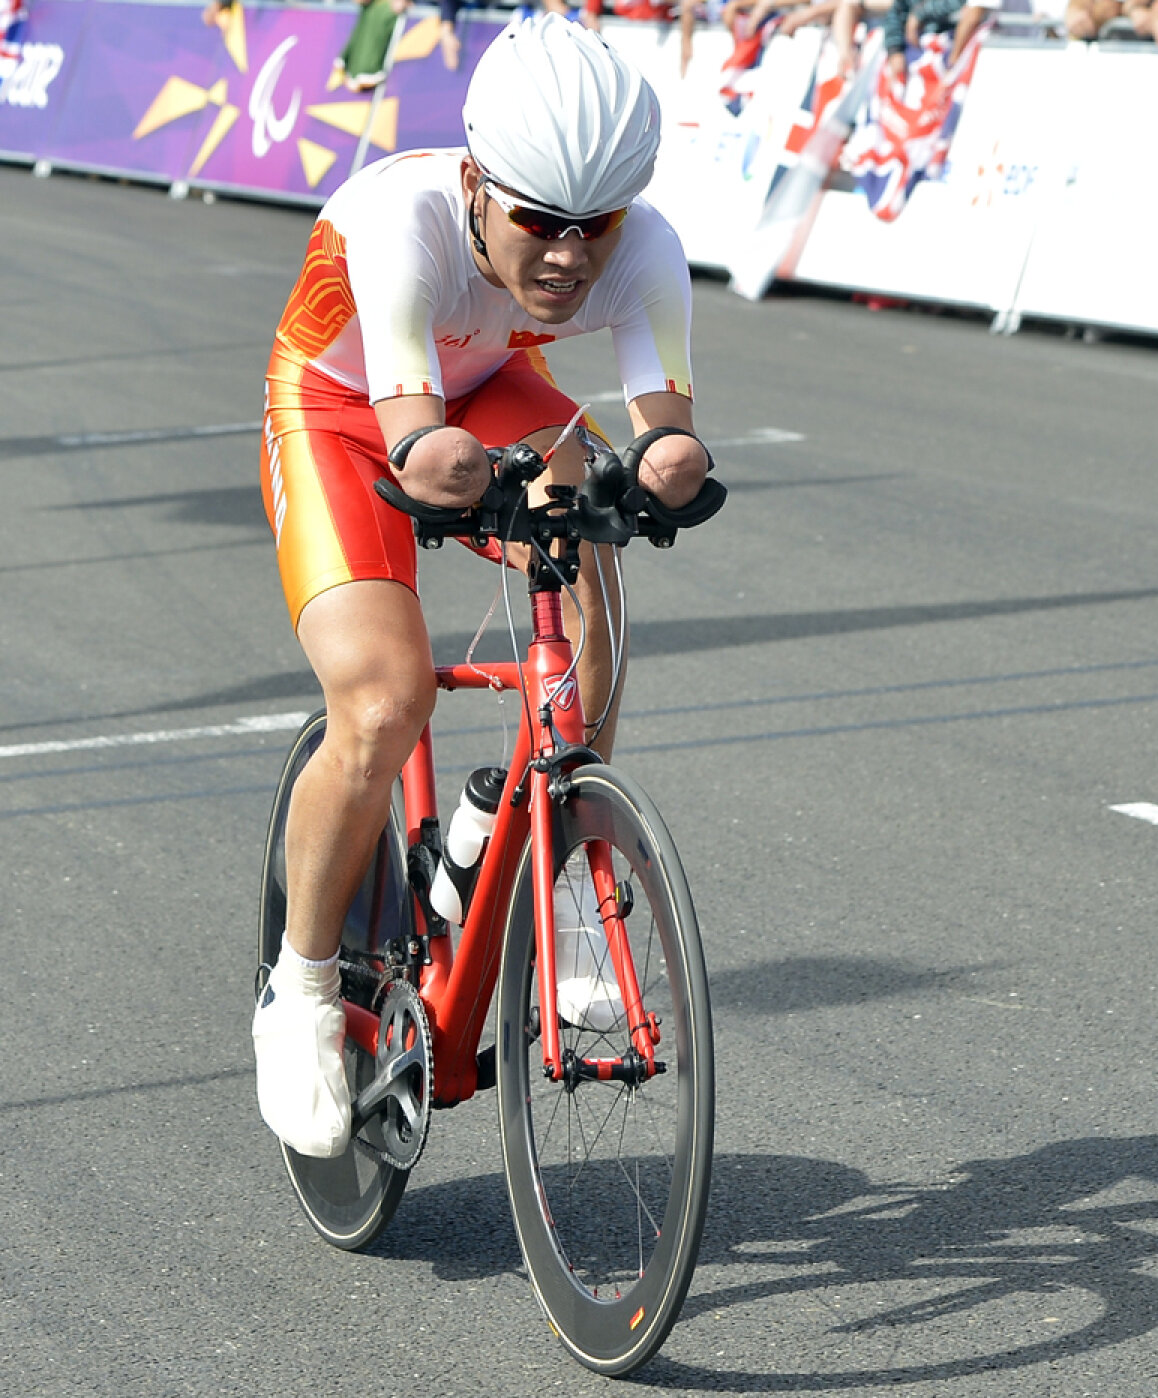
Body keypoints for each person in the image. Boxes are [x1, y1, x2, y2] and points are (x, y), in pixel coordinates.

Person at [252, 14, 711, 1159]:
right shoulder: (398, 220)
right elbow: (421, 442)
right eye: (538, 226)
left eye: (593, 230)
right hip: (349, 409)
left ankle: (551, 887)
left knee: (591, 561)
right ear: (474, 183)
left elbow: (665, 433)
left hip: (489, 380)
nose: (567, 258)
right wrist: (478, 475)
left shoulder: (646, 247)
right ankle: (302, 990)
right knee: (383, 696)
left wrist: (662, 468)